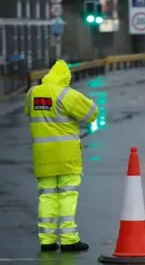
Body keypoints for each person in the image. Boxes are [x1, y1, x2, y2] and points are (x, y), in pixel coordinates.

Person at [25, 60, 99, 252]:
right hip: (67, 157)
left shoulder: (33, 93)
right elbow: (92, 113)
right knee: (67, 195)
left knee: (47, 197)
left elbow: (28, 112)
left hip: (43, 157)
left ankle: (47, 240)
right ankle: (68, 239)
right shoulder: (66, 94)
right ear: (66, 79)